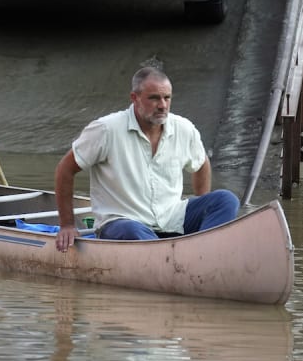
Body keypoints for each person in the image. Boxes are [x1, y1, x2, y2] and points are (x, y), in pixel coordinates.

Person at [54, 65, 239, 250]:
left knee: (226, 200)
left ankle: (201, 251)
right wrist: (67, 225)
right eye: (154, 98)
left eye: (167, 98)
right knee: (134, 232)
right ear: (135, 98)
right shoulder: (106, 129)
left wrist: (202, 206)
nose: (162, 105)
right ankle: (178, 255)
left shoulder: (184, 128)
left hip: (172, 219)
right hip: (124, 223)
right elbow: (65, 169)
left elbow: (201, 164)